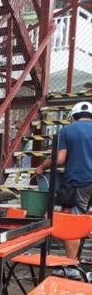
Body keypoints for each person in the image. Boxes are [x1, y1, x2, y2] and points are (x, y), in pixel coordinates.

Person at [35, 101, 92, 260]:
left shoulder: (67, 130)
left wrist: (42, 167)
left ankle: (72, 267)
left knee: (73, 225)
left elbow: (60, 159)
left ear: (73, 116)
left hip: (79, 183)